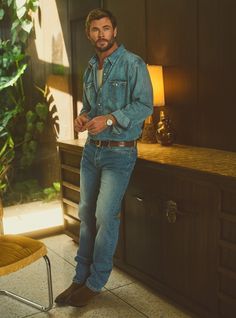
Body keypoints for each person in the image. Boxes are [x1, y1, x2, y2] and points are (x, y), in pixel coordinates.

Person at [55, 8, 153, 307]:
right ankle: (79, 276)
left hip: (119, 154)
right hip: (92, 151)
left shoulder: (132, 63)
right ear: (89, 34)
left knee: (104, 217)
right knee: (85, 216)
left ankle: (95, 282)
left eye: (106, 28)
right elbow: (92, 107)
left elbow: (145, 105)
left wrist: (110, 119)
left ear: (115, 31)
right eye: (95, 30)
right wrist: (84, 117)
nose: (101, 34)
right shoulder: (89, 68)